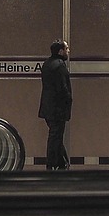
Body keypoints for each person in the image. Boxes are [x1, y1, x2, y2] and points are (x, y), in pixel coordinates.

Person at [37, 38, 72, 170]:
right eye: (67, 49)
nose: (68, 51)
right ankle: (52, 164)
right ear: (61, 51)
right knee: (55, 137)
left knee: (56, 136)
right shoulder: (59, 66)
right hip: (57, 109)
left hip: (48, 108)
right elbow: (63, 89)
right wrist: (68, 101)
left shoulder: (47, 64)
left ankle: (62, 163)